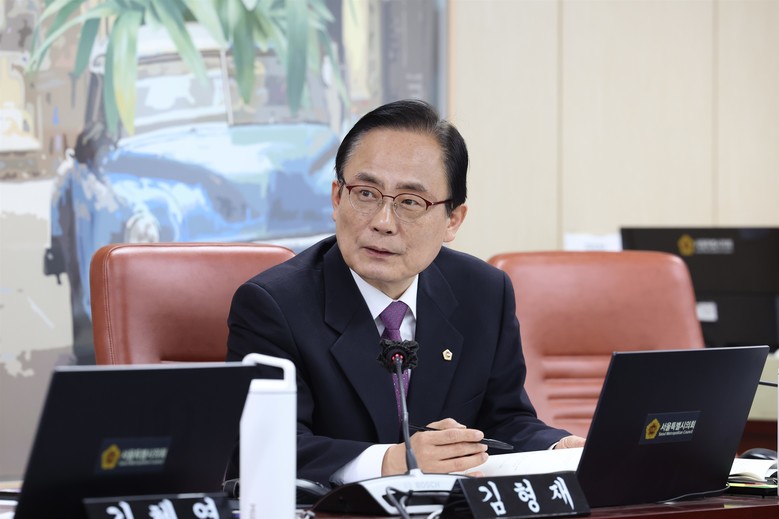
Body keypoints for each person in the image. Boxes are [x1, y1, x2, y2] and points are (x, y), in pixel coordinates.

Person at [226, 99, 585, 487]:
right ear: (337, 198)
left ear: (453, 220)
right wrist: (393, 461)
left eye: (410, 202)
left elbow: (505, 421)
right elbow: (264, 448)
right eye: (366, 193)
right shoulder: (274, 304)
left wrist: (556, 449)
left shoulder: (483, 292)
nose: (383, 222)